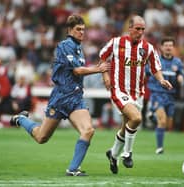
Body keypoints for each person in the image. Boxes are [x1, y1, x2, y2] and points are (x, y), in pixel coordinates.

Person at [10, 15, 109, 176]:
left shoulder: (78, 47)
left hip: (76, 98)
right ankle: (21, 119)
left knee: (88, 130)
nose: (82, 32)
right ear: (70, 30)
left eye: (83, 30)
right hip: (61, 98)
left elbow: (78, 72)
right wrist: (100, 69)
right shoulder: (65, 46)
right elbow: (77, 71)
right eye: (78, 29)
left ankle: (73, 169)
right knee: (41, 137)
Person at [99, 15, 172, 174]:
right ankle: (127, 154)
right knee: (137, 118)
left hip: (137, 93)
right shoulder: (116, 42)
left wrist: (161, 80)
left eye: (143, 29)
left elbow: (155, 68)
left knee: (127, 127)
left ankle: (113, 154)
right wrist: (105, 76)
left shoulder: (148, 48)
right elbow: (103, 57)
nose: (140, 32)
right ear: (130, 28)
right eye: (137, 29)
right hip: (119, 90)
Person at [146, 37, 184, 154]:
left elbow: (181, 73)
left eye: (170, 45)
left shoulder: (177, 62)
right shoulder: (155, 61)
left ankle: (152, 116)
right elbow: (145, 72)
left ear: (173, 48)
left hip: (171, 96)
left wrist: (181, 78)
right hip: (157, 94)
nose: (168, 47)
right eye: (166, 45)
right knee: (162, 121)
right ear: (161, 47)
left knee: (168, 124)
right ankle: (159, 148)